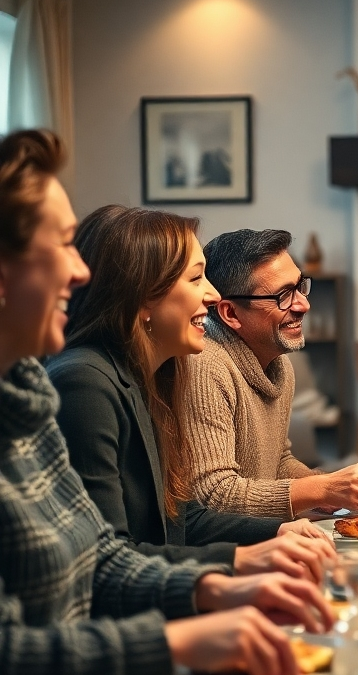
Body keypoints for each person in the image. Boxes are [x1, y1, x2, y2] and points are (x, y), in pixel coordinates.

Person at [0, 130, 332, 675]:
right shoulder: (81, 383)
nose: (80, 269)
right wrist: (181, 635)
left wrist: (218, 586)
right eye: (62, 244)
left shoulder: (27, 393)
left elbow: (104, 558)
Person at [46, 205, 335, 583]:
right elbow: (106, 565)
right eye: (196, 278)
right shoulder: (84, 385)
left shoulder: (155, 375)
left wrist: (276, 533)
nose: (212, 295)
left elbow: (180, 520)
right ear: (144, 295)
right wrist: (239, 566)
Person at [179, 228, 358, 518]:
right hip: (223, 555)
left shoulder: (279, 364)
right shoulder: (205, 365)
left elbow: (277, 462)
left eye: (299, 286)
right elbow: (215, 495)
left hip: (267, 540)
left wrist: (330, 489)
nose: (303, 305)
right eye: (283, 296)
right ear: (230, 314)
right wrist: (324, 487)